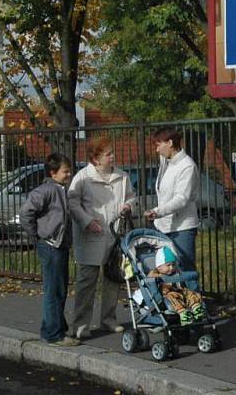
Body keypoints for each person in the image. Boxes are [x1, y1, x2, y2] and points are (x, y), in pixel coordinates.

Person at [68, 136, 137, 339]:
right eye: (108, 154)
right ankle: (80, 325)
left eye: (112, 153)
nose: (113, 157)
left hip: (114, 234)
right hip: (91, 234)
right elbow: (72, 202)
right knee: (86, 282)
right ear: (95, 158)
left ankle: (109, 320)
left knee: (113, 279)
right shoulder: (82, 177)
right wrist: (86, 221)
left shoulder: (122, 176)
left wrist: (129, 205)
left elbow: (132, 196)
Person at [19, 152, 78, 346]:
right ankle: (54, 333)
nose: (69, 174)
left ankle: (53, 328)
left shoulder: (59, 189)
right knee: (54, 290)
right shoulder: (47, 191)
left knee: (58, 289)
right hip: (51, 245)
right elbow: (26, 212)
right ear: (53, 173)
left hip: (57, 245)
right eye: (65, 171)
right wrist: (37, 234)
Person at [143, 127, 199, 272]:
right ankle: (172, 295)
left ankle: (192, 294)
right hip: (163, 226)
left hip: (182, 228)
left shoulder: (187, 166)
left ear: (170, 143)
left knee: (184, 269)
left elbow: (182, 198)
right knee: (164, 270)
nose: (157, 150)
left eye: (158, 145)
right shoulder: (167, 161)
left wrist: (158, 211)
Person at [148, 246, 207, 324]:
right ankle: (184, 313)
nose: (171, 268)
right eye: (168, 265)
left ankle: (197, 308)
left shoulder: (176, 272)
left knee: (191, 293)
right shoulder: (157, 274)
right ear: (159, 267)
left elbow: (182, 275)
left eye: (173, 265)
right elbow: (150, 276)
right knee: (171, 296)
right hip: (168, 296)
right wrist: (156, 273)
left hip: (181, 292)